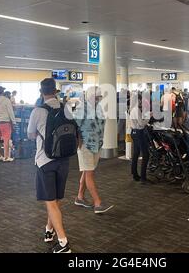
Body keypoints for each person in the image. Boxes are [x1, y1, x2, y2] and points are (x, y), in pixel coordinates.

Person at [28, 78, 72, 253]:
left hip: (45, 161)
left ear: (41, 93)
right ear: (55, 91)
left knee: (50, 201)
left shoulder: (37, 111)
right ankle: (49, 230)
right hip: (64, 160)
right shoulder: (65, 108)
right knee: (54, 200)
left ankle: (63, 243)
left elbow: (30, 135)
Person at [74, 86, 114, 214]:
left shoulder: (99, 108)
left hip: (97, 144)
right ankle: (98, 203)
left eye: (99, 97)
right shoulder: (81, 109)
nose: (98, 99)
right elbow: (75, 127)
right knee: (89, 173)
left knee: (87, 172)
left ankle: (80, 197)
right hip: (85, 144)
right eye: (96, 97)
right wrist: (78, 144)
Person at [130, 92, 151, 184]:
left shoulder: (132, 109)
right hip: (139, 133)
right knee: (146, 154)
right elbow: (141, 124)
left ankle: (135, 174)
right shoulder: (136, 110)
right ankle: (143, 177)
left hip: (134, 132)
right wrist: (148, 118)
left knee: (136, 153)